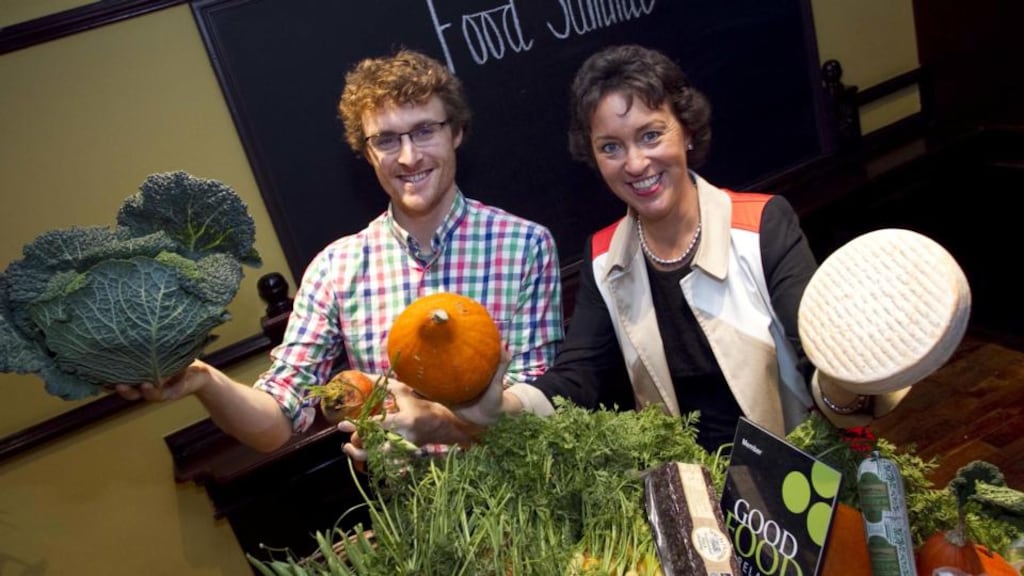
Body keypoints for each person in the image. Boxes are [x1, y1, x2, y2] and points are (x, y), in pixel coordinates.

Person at [344, 44, 907, 459]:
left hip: (801, 478)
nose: (635, 163)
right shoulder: (605, 259)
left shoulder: (761, 224)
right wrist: (495, 408)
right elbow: (576, 382)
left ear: (685, 130)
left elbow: (827, 369)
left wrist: (850, 380)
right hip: (691, 493)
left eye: (650, 135)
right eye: (610, 147)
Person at [118, 49, 564, 453]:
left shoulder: (523, 246)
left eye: (425, 131)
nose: (408, 157)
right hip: (418, 527)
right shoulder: (336, 269)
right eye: (386, 140)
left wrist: (436, 425)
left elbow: (535, 410)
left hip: (521, 504)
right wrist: (203, 379)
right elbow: (276, 422)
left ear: (457, 133)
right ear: (366, 152)